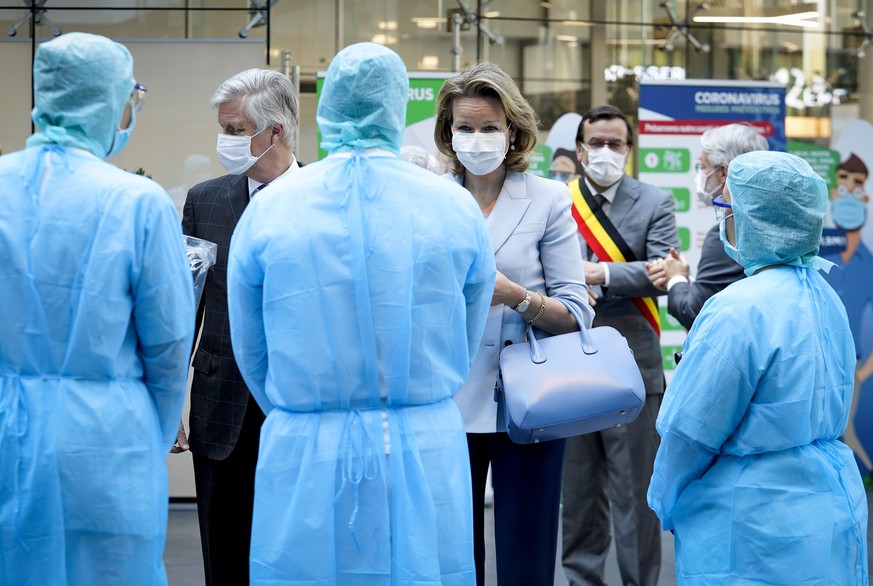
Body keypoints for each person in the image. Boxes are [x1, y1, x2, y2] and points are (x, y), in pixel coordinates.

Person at [227, 43, 495, 584]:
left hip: (306, 447)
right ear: (398, 108)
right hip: (422, 443)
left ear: (327, 105)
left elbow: (251, 344)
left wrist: (301, 409)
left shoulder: (273, 206)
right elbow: (467, 329)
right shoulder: (451, 205)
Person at [0, 32, 194, 584]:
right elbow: (168, 343)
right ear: (112, 101)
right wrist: (148, 438)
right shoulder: (136, 201)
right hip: (106, 442)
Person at [648, 151, 869, 584]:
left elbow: (688, 432)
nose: (723, 218)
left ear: (752, 217)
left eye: (727, 208)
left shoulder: (736, 309)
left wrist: (666, 499)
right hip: (828, 509)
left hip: (748, 526)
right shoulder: (826, 296)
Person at [434, 61, 593, 586]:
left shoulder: (547, 199)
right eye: (464, 128)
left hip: (528, 399)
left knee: (527, 553)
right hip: (442, 398)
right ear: (448, 132)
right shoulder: (429, 199)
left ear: (513, 131)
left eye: (488, 128)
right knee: (450, 554)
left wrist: (516, 297)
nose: (476, 139)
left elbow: (575, 314)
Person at [177, 68, 300, 585]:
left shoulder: (322, 199)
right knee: (223, 555)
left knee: (294, 555)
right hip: (220, 404)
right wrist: (167, 402)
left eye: (234, 130)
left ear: (275, 132)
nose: (225, 141)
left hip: (298, 405)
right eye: (222, 129)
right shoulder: (205, 201)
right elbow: (186, 310)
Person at [562, 104, 678, 586]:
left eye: (616, 143)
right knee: (580, 496)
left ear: (629, 149)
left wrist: (599, 273)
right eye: (596, 143)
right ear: (579, 148)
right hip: (568, 366)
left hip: (634, 364)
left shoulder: (656, 200)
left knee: (636, 495)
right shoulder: (556, 199)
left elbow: (661, 273)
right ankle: (581, 580)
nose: (605, 152)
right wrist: (569, 281)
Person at [646, 123, 768, 329]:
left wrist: (675, 278)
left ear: (723, 173)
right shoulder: (772, 223)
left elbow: (694, 312)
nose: (700, 175)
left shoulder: (729, 232)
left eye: (703, 167)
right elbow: (730, 290)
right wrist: (687, 282)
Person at [821, 153, 873, 473]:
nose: (848, 191)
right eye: (842, 181)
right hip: (812, 358)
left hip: (850, 362)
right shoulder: (816, 252)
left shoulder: (869, 264)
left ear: (865, 197)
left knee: (843, 431)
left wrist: (864, 371)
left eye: (856, 185)